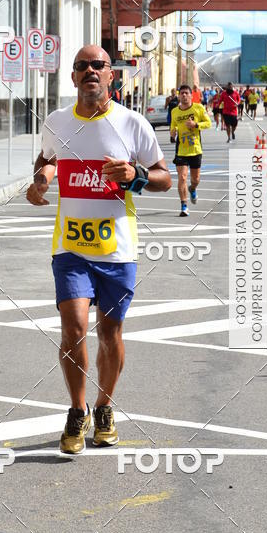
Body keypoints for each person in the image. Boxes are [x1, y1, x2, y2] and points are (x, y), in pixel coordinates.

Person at [26, 45, 172, 455]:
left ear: (111, 75)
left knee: (110, 333)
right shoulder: (56, 122)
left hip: (116, 250)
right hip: (70, 247)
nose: (90, 71)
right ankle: (77, 410)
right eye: (82, 66)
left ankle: (105, 407)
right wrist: (40, 180)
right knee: (72, 329)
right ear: (73, 77)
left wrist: (136, 174)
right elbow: (46, 159)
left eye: (98, 65)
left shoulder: (132, 124)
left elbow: (164, 177)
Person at [170, 83, 212, 216]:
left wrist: (196, 125)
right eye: (181, 93)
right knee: (182, 177)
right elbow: (173, 126)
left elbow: (208, 123)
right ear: (178, 96)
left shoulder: (198, 108)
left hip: (195, 149)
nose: (183, 95)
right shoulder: (174, 111)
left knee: (196, 179)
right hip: (181, 149)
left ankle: (193, 188)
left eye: (186, 93)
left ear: (191, 95)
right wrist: (172, 133)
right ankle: (184, 206)